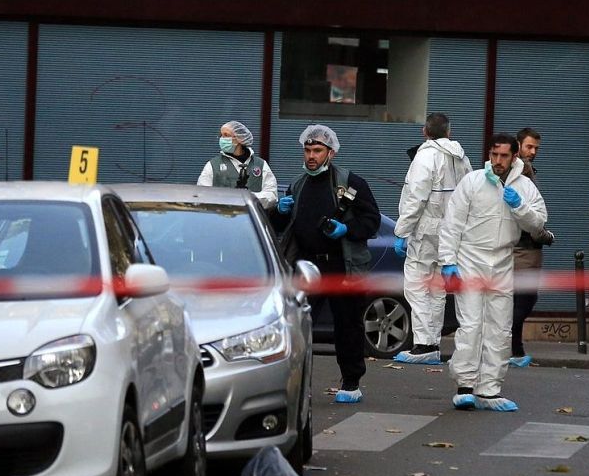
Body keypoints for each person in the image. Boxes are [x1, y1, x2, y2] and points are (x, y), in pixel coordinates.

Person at [273, 125, 381, 403]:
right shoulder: (298, 184)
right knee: (298, 327)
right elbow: (283, 227)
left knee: (348, 325)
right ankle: (297, 384)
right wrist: (279, 213)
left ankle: (351, 382)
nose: (311, 156)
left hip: (341, 266)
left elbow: (372, 220)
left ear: (331, 153)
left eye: (317, 150)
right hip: (306, 266)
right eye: (307, 150)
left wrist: (347, 229)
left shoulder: (350, 182)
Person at [439, 133, 547, 412]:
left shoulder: (524, 187)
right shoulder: (472, 182)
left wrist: (519, 207)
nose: (498, 161)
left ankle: (489, 389)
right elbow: (452, 224)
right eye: (494, 155)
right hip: (470, 259)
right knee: (471, 325)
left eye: (504, 156)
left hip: (502, 261)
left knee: (500, 327)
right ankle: (465, 386)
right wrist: (448, 261)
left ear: (514, 156)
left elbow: (538, 224)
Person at [392, 113, 472, 365]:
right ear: (449, 132)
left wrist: (401, 231)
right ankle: (432, 343)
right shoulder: (461, 158)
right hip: (451, 232)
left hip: (426, 231)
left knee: (416, 286)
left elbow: (416, 198)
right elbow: (469, 195)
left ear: (424, 132)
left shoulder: (425, 157)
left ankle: (424, 344)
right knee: (437, 289)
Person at [509, 128, 555, 368]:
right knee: (525, 299)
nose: (533, 152)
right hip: (525, 247)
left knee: (517, 300)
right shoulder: (522, 172)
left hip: (520, 247)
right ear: (517, 146)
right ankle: (509, 345)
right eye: (529, 146)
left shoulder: (521, 170)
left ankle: (516, 350)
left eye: (536, 148)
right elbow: (530, 217)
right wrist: (545, 236)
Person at [197, 120, 278, 210]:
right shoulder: (213, 165)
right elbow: (202, 194)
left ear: (240, 138)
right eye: (221, 135)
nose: (222, 139)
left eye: (226, 135)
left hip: (252, 217)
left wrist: (247, 199)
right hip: (221, 216)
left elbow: (272, 195)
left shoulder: (260, 165)